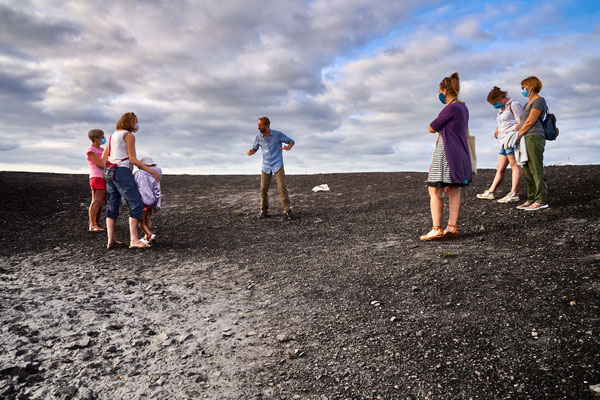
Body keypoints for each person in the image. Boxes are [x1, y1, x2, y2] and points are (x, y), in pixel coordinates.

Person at [420, 72, 471, 241]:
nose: (439, 95)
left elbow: (432, 127)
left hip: (445, 152)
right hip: (460, 152)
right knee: (453, 189)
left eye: (439, 91)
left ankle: (436, 228)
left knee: (434, 190)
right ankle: (452, 226)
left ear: (444, 90)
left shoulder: (450, 108)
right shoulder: (463, 108)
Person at [101, 112, 161, 249]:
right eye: (136, 121)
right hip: (122, 171)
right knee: (136, 203)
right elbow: (133, 159)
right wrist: (151, 171)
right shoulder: (128, 136)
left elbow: (104, 158)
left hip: (109, 172)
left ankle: (111, 240)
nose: (137, 124)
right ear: (130, 122)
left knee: (113, 205)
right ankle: (134, 240)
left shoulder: (112, 136)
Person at [476, 87, 523, 203]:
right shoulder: (502, 109)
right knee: (500, 168)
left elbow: (522, 121)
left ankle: (514, 193)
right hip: (503, 142)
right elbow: (506, 122)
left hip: (511, 140)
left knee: (514, 165)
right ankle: (491, 192)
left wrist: (513, 133)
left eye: (494, 103)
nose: (494, 106)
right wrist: (498, 129)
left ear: (501, 99)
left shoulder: (514, 105)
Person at [247, 117, 297, 220]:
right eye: (258, 125)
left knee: (282, 187)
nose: (258, 127)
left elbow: (291, 141)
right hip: (266, 166)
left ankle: (287, 211)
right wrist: (252, 150)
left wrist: (289, 147)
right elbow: (255, 147)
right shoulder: (258, 137)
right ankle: (264, 211)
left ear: (267, 126)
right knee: (263, 189)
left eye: (260, 125)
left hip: (277, 164)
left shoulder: (277, 134)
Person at [514, 76, 548, 211]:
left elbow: (530, 121)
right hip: (524, 138)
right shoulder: (526, 104)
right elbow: (522, 122)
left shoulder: (539, 101)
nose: (523, 90)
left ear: (531, 87)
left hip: (534, 136)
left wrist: (519, 134)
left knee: (535, 168)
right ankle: (531, 198)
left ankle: (541, 200)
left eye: (524, 87)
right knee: (527, 169)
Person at [133, 157, 162, 243]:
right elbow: (157, 190)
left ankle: (149, 235)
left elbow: (138, 187)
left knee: (140, 221)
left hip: (142, 200)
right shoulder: (156, 174)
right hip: (151, 200)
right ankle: (147, 238)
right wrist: (156, 205)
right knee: (148, 218)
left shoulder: (138, 174)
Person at [86, 129, 106, 232]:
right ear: (95, 139)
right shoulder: (91, 150)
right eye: (102, 137)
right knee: (96, 201)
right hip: (96, 177)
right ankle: (92, 225)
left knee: (101, 201)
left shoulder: (103, 150)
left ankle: (97, 223)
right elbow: (101, 164)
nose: (103, 138)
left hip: (103, 177)